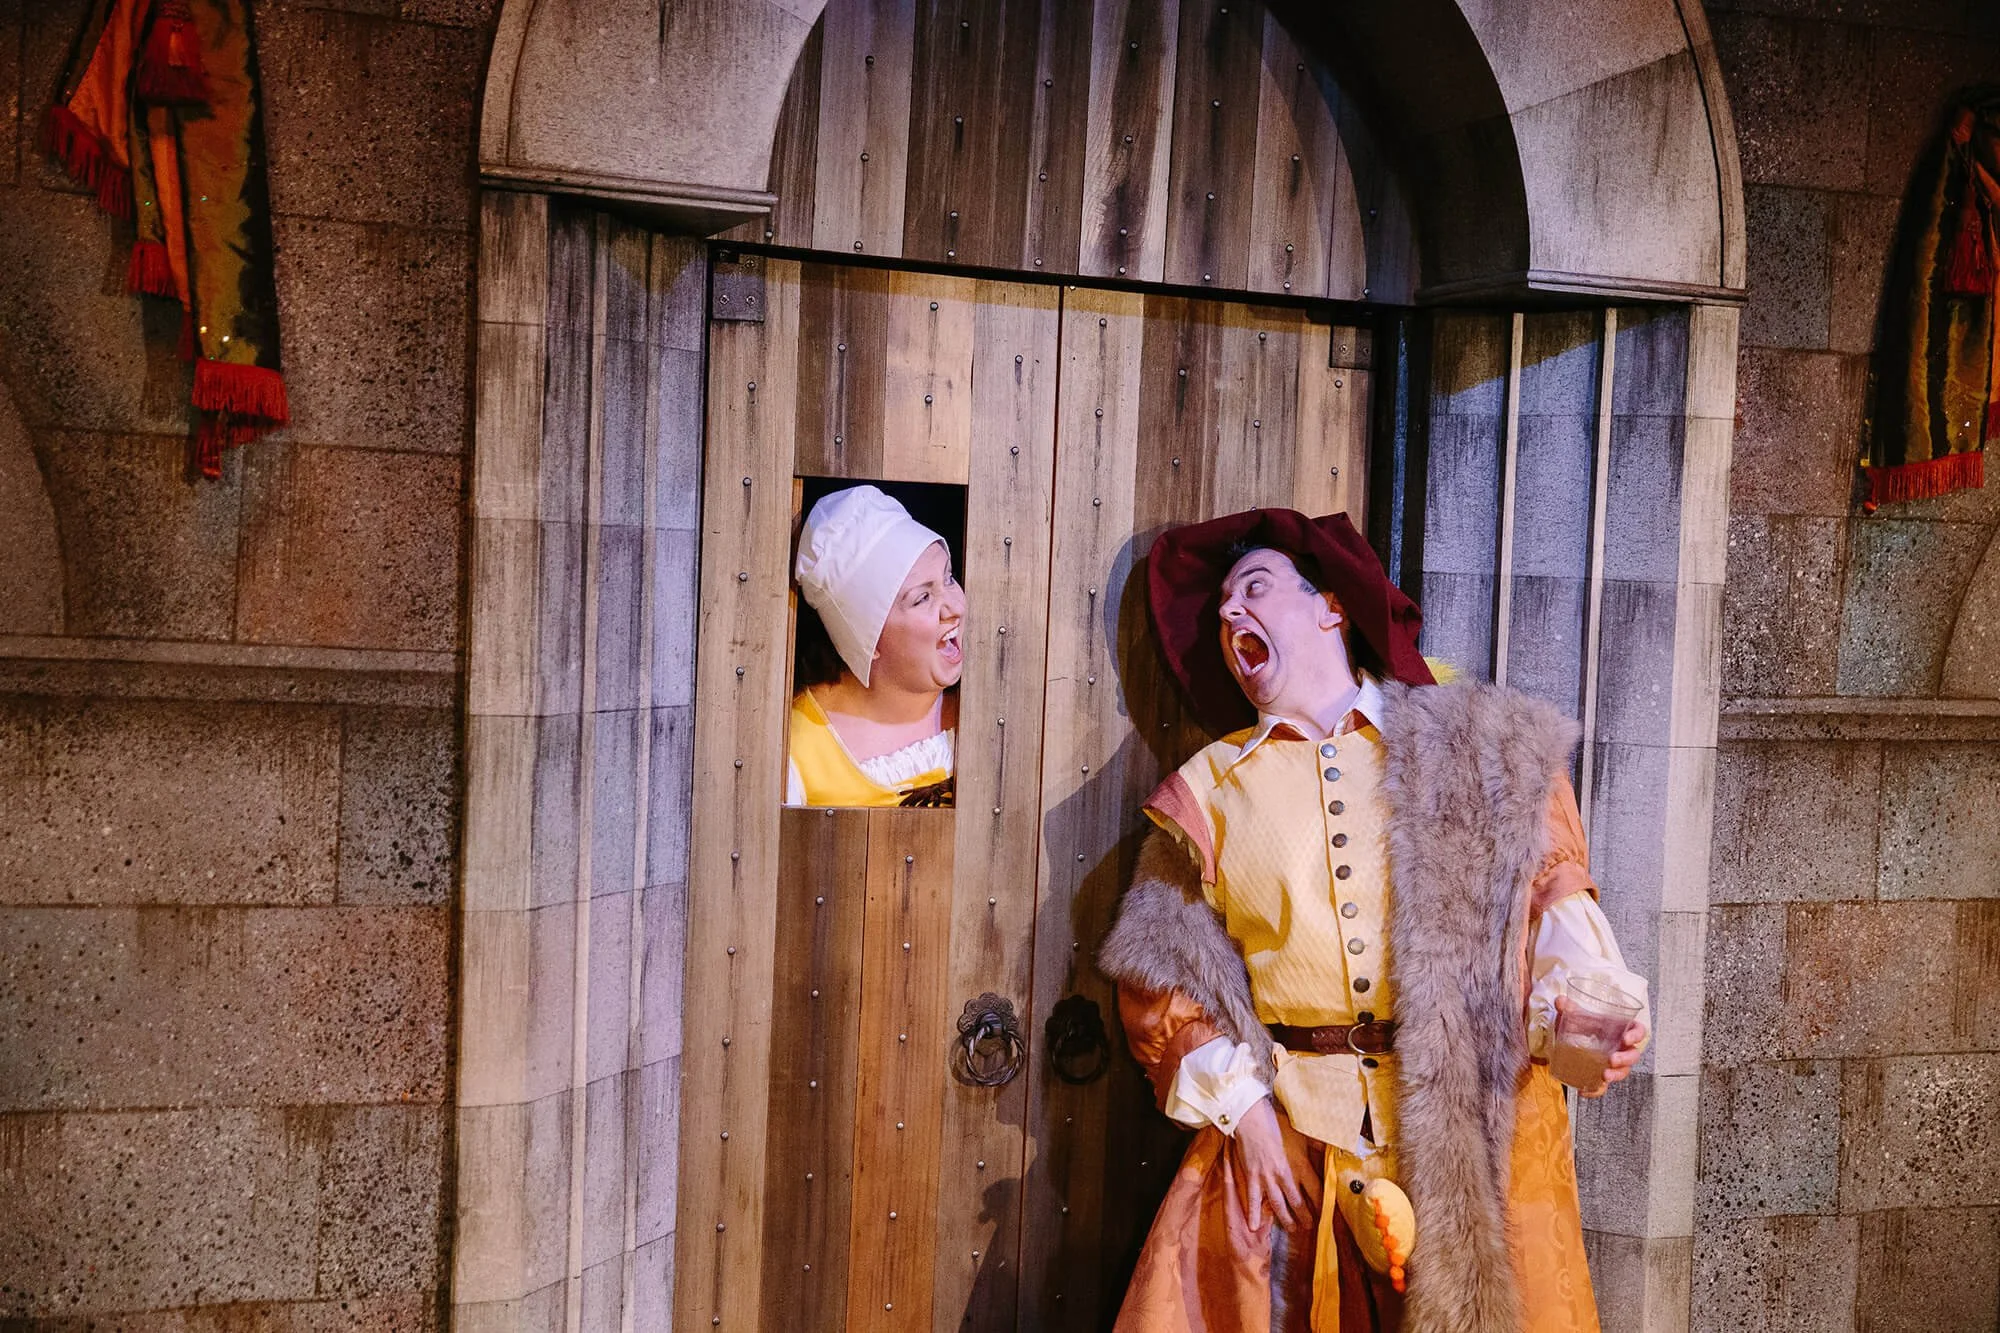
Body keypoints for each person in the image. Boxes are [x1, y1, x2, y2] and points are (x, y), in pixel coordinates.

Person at [1097, 509, 1649, 1333]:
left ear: (1331, 606)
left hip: (1470, 1130)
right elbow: (1159, 974)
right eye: (1219, 608)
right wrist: (1246, 1114)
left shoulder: (1469, 746)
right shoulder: (1209, 790)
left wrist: (1588, 1017)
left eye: (1254, 588)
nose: (1228, 614)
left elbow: (1551, 899)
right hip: (1297, 1145)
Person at [786, 484, 966, 808]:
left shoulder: (989, 705)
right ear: (869, 636)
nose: (954, 607)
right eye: (923, 598)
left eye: (949, 578)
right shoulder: (798, 752)